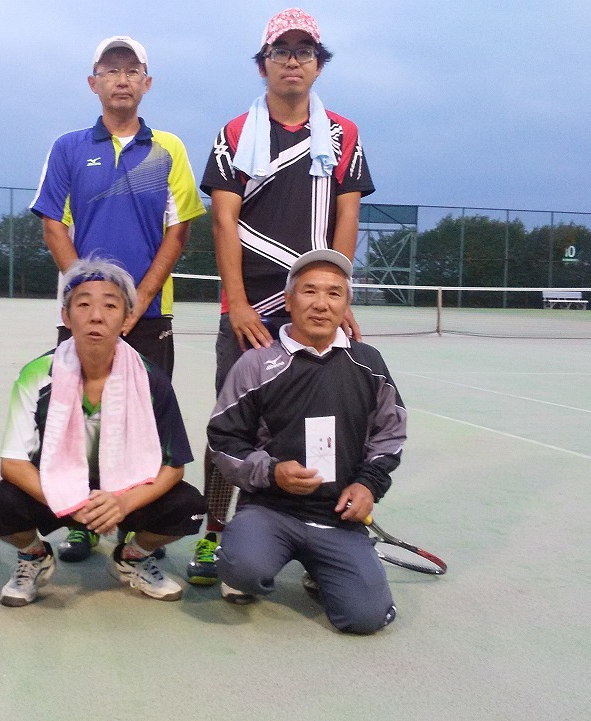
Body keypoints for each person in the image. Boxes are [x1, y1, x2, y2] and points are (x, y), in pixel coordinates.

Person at [194, 8, 376, 591]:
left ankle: (327, 534)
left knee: (331, 423)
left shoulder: (344, 134)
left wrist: (337, 293)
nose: (292, 61)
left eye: (304, 51)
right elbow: (224, 221)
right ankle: (215, 529)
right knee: (233, 426)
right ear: (263, 64)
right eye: (281, 51)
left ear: (318, 65)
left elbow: (348, 216)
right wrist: (239, 303)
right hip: (250, 311)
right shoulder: (233, 133)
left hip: (315, 309)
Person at [30, 35, 205, 563]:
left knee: (143, 423)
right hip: (84, 319)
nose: (122, 79)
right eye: (111, 70)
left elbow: (178, 230)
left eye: (132, 71)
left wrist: (137, 299)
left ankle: (132, 524)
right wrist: (89, 298)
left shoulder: (168, 148)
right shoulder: (68, 148)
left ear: (147, 83)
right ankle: (82, 521)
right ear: (94, 83)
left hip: (150, 315)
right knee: (78, 419)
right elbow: (53, 226)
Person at [0, 258, 205, 607]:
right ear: (66, 317)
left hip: (123, 493)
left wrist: (122, 502)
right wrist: (70, 500)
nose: (96, 316)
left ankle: (132, 557)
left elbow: (173, 466)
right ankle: (34, 556)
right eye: (83, 304)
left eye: (110, 305)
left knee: (189, 507)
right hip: (56, 488)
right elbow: (13, 463)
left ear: (127, 319)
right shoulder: (36, 374)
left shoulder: (151, 379)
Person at [206, 249, 403, 634]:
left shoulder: (369, 364)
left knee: (365, 618)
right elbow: (223, 440)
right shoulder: (256, 364)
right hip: (270, 509)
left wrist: (367, 484)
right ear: (288, 300)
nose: (321, 304)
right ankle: (252, 555)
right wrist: (272, 472)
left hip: (337, 518)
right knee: (243, 568)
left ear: (346, 304)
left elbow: (390, 433)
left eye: (334, 293)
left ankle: (325, 569)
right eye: (309, 291)